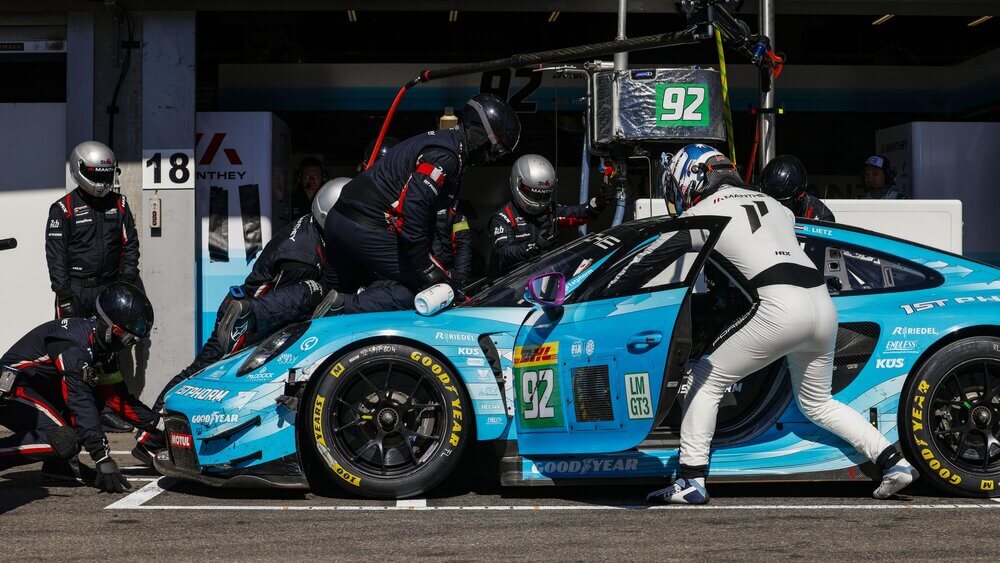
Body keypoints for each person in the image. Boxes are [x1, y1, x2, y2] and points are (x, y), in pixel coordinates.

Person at [645, 144, 916, 505]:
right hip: (821, 305)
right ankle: (893, 461)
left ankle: (691, 479)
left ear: (691, 179)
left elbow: (649, 260)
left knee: (704, 378)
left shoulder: (703, 214)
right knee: (818, 403)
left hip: (780, 307)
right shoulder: (777, 207)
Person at [153, 179, 347, 415]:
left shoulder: (313, 227)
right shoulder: (301, 260)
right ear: (329, 217)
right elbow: (286, 311)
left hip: (250, 309)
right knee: (200, 374)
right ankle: (153, 432)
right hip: (244, 319)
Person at [320, 93, 520, 313]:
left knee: (329, 302)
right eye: (496, 151)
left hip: (338, 220)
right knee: (434, 291)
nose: (492, 158)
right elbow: (415, 208)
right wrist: (427, 268)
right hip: (364, 226)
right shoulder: (448, 155)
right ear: (481, 135)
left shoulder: (440, 142)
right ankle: (343, 307)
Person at [0, 282, 161, 492]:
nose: (128, 344)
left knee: (88, 409)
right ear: (112, 327)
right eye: (128, 337)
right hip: (10, 391)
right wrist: (102, 457)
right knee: (64, 439)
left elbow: (117, 399)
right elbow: (79, 401)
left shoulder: (104, 349)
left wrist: (159, 425)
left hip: (34, 390)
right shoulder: (74, 345)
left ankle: (60, 467)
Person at [46, 140, 142, 434]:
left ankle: (109, 409)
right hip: (74, 290)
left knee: (109, 354)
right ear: (79, 170)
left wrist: (125, 284)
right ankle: (69, 415)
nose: (102, 181)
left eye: (106, 174)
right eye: (95, 174)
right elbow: (55, 256)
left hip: (109, 290)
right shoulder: (63, 208)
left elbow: (131, 247)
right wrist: (63, 295)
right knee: (74, 353)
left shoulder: (120, 204)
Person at [486, 154, 615, 277]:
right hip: (507, 284)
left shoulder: (549, 210)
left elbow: (578, 214)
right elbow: (504, 252)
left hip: (541, 276)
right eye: (535, 195)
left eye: (545, 195)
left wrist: (598, 203)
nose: (540, 201)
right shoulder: (503, 218)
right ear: (517, 183)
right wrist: (533, 247)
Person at [759, 154, 835, 221]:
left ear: (800, 196)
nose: (776, 205)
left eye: (782, 202)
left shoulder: (822, 218)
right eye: (771, 200)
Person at [432, 201, 474, 286]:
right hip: (423, 269)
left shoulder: (454, 208)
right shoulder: (414, 205)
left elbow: (463, 243)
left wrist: (461, 276)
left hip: (448, 268)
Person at [288, 156, 327, 220]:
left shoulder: (327, 199)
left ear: (322, 178)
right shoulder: (292, 200)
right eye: (308, 176)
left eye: (315, 176)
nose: (312, 180)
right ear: (301, 177)